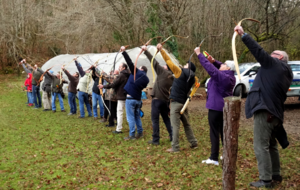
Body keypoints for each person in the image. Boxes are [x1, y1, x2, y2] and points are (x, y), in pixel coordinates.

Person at [234, 25, 293, 188]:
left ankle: (266, 179)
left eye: (274, 54)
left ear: (280, 58)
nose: (270, 55)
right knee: (272, 145)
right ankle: (275, 174)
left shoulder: (274, 65)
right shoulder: (284, 71)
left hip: (266, 111)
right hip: (275, 114)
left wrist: (243, 35)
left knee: (260, 145)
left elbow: (259, 52)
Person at [195, 49, 236, 165]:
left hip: (216, 108)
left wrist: (199, 55)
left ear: (228, 68)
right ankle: (226, 154)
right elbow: (217, 66)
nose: (221, 64)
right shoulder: (229, 76)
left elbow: (211, 69)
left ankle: (214, 158)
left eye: (224, 64)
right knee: (224, 132)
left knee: (215, 132)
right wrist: (214, 61)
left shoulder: (223, 77)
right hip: (223, 108)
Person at [157, 43, 198, 152]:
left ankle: (175, 147)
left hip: (176, 103)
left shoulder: (180, 72)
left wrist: (161, 50)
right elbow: (194, 87)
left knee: (175, 125)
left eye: (185, 64)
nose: (184, 65)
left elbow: (169, 62)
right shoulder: (193, 78)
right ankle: (193, 142)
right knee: (187, 124)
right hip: (183, 103)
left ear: (188, 67)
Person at [141, 46, 173, 145]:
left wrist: (146, 51)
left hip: (157, 100)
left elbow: (153, 61)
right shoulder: (172, 77)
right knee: (166, 119)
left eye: (165, 66)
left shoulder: (163, 72)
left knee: (155, 120)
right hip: (165, 101)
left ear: (167, 68)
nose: (163, 66)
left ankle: (156, 140)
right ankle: (172, 136)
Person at [121, 46, 149, 140]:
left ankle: (132, 135)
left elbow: (129, 62)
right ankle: (140, 132)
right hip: (138, 100)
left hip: (130, 99)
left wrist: (124, 52)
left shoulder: (137, 72)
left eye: (139, 67)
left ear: (141, 70)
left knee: (130, 118)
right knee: (137, 117)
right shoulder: (146, 79)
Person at [98, 63, 130, 133]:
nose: (119, 68)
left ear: (124, 68)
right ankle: (129, 127)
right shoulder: (128, 74)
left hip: (119, 96)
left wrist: (103, 86)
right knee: (127, 113)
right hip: (125, 95)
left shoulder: (120, 75)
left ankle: (118, 128)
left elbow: (112, 82)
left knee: (119, 112)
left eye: (120, 67)